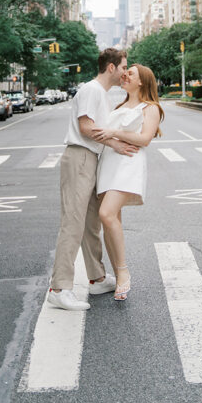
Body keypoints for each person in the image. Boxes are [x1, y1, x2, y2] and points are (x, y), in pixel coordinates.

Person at [47, 48, 137, 311]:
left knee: (90, 222)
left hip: (90, 159)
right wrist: (115, 143)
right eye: (123, 67)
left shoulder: (102, 94)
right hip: (79, 157)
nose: (124, 72)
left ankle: (96, 278)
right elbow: (86, 127)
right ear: (111, 67)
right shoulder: (91, 90)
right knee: (73, 222)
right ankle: (59, 288)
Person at [93, 63, 163, 301]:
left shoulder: (150, 107)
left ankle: (123, 273)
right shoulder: (120, 105)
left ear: (142, 81)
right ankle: (117, 271)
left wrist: (114, 133)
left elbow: (144, 139)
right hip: (109, 163)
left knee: (107, 214)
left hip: (128, 164)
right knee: (112, 220)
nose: (125, 75)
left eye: (130, 73)